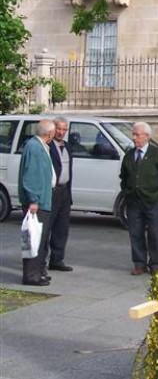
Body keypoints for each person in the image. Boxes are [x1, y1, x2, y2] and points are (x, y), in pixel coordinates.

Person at [120, 121, 158, 276]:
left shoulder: (157, 154)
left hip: (153, 201)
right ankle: (139, 263)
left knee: (155, 233)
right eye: (133, 134)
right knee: (135, 233)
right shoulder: (129, 155)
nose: (134, 138)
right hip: (134, 201)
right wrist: (127, 192)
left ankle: (155, 264)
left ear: (147, 137)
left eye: (137, 135)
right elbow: (124, 177)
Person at [18, 118, 56, 286]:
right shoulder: (34, 147)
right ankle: (31, 275)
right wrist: (34, 200)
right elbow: (32, 176)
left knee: (40, 239)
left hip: (43, 200)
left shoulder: (39, 146)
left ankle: (39, 271)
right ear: (50, 134)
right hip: (37, 202)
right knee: (34, 239)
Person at [48, 116, 74, 271]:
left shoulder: (68, 146)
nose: (61, 132)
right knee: (48, 227)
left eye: (64, 129)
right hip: (53, 190)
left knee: (62, 228)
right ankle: (41, 262)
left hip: (65, 191)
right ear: (53, 128)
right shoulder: (48, 145)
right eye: (59, 128)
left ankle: (57, 259)